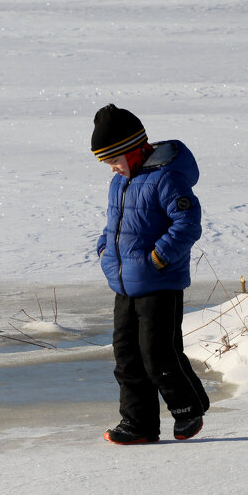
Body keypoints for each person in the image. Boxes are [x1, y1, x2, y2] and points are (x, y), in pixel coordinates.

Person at [91, 104, 211, 444]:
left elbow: (187, 223)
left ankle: (188, 407)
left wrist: (158, 259)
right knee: (126, 356)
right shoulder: (120, 182)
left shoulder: (167, 179)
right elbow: (115, 224)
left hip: (160, 282)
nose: (111, 168)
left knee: (157, 353)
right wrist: (104, 248)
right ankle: (138, 423)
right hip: (124, 281)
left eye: (113, 159)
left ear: (133, 150)